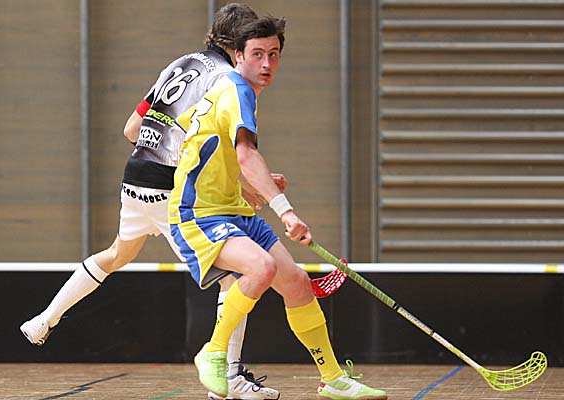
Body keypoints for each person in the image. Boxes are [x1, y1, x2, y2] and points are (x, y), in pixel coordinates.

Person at [20, 4, 281, 399]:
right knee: (236, 274)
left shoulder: (180, 63)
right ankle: (229, 378)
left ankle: (44, 319)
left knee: (117, 254)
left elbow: (132, 128)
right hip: (171, 187)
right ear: (238, 44)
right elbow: (200, 148)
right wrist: (246, 186)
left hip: (136, 177)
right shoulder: (226, 79)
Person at [169, 16, 388, 400]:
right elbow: (245, 153)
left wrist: (250, 185)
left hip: (234, 209)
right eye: (257, 54)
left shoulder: (226, 88)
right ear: (238, 56)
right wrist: (284, 209)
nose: (266, 63)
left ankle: (333, 378)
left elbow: (201, 144)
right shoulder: (237, 90)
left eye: (273, 54)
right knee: (261, 267)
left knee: (297, 283)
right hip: (198, 213)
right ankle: (213, 352)